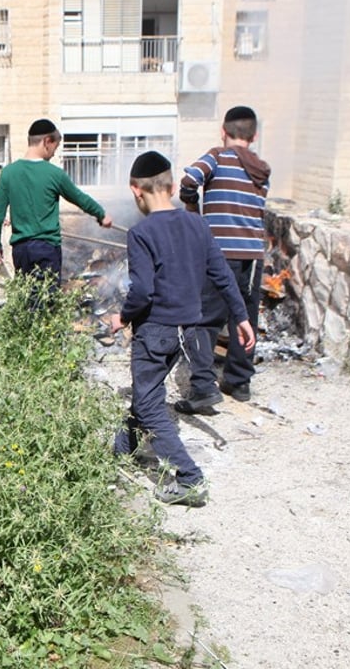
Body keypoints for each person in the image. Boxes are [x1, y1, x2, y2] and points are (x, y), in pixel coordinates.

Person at [109, 151, 256, 507]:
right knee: (149, 389)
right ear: (172, 186)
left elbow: (142, 291)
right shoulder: (198, 225)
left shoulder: (141, 233)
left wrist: (124, 317)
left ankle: (189, 478)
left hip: (156, 329)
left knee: (147, 402)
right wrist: (242, 317)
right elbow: (222, 275)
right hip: (187, 331)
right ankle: (123, 446)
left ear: (135, 190)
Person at [178, 105, 271, 407]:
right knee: (244, 315)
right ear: (254, 135)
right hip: (253, 257)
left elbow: (190, 180)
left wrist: (193, 209)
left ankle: (204, 387)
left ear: (223, 131)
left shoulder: (217, 156)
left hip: (219, 255)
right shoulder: (261, 171)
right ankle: (239, 381)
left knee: (205, 319)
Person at [0, 118, 113, 306]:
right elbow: (79, 198)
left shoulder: (9, 173)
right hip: (47, 249)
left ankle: (25, 334)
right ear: (47, 141)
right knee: (47, 304)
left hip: (21, 250)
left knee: (27, 301)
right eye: (56, 146)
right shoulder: (54, 174)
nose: (55, 153)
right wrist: (101, 214)